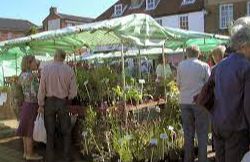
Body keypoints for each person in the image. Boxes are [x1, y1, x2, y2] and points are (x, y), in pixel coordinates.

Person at [211, 27, 250, 162]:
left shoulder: (220, 66)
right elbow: (248, 104)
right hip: (236, 127)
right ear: (245, 45)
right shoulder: (246, 67)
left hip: (218, 125)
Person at [38, 49, 77, 162]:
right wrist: (68, 97)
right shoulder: (69, 70)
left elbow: (42, 89)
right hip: (62, 102)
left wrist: (41, 103)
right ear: (64, 58)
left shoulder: (46, 69)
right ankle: (66, 157)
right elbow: (73, 91)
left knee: (50, 132)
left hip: (49, 102)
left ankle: (49, 158)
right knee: (66, 131)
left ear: (55, 56)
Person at [177, 46, 210, 162]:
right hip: (199, 102)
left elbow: (178, 85)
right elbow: (209, 85)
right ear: (198, 53)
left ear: (187, 53)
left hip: (184, 101)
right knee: (202, 133)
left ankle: (188, 159)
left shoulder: (181, 65)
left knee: (188, 132)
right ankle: (202, 159)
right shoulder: (204, 66)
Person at [16, 55, 43, 160]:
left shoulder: (21, 75)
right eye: (34, 62)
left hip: (25, 104)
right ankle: (30, 154)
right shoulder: (31, 76)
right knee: (30, 130)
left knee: (25, 130)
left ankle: (26, 153)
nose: (35, 63)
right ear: (29, 63)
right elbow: (38, 92)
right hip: (32, 104)